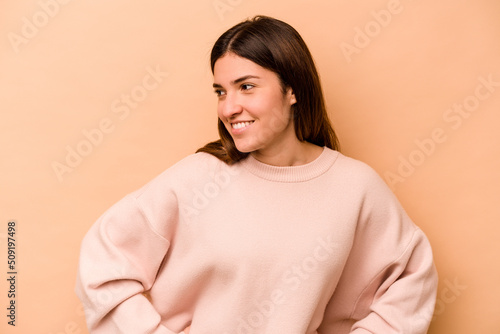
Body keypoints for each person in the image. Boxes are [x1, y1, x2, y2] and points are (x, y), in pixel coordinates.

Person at [75, 15, 438, 334]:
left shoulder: (355, 187)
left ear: (292, 89)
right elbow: (103, 264)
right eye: (221, 91)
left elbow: (409, 280)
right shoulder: (199, 178)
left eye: (246, 86)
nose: (229, 108)